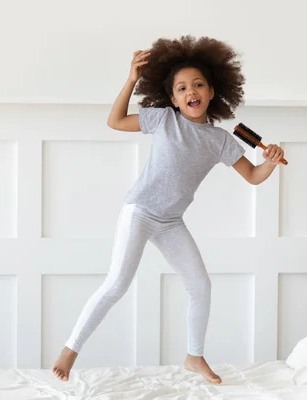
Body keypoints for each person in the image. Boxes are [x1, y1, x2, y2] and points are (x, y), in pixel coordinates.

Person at [52, 35, 285, 385]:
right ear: (173, 98)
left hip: (171, 222)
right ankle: (70, 350)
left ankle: (194, 355)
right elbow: (115, 121)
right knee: (117, 284)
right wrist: (131, 79)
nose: (190, 91)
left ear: (211, 92)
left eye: (198, 85)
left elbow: (252, 176)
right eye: (181, 88)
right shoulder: (162, 120)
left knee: (200, 285)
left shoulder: (221, 140)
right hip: (140, 212)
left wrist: (270, 161)